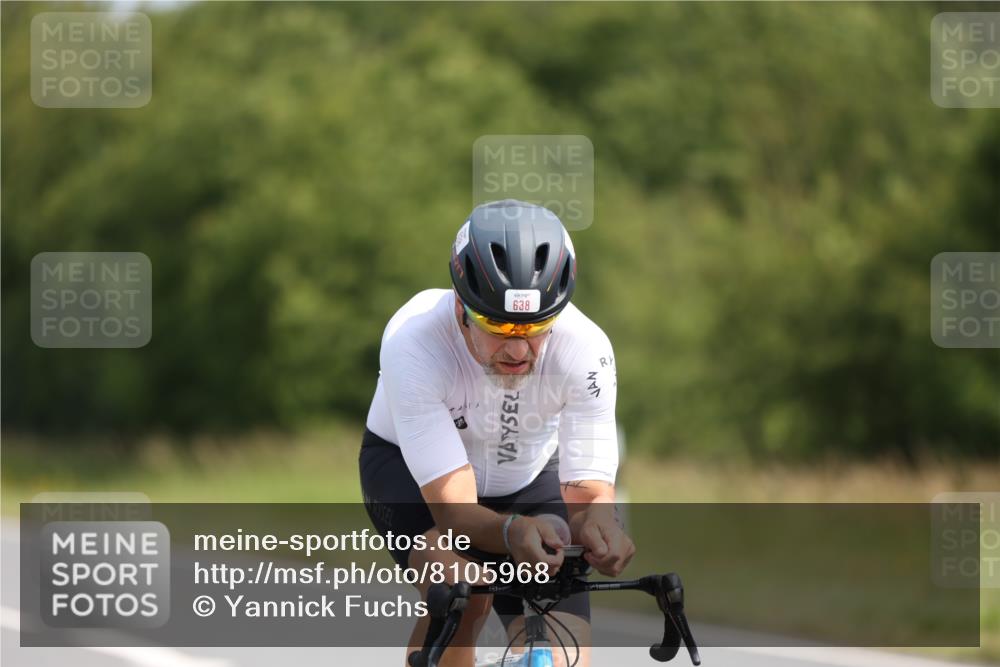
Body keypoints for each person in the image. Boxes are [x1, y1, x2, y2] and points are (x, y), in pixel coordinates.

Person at [360, 199, 634, 667]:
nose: (516, 348)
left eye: (535, 328)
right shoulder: (414, 341)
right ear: (462, 307)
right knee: (464, 594)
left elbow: (589, 494)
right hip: (411, 476)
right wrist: (509, 533)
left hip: (528, 474)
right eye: (498, 325)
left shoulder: (586, 348)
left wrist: (600, 528)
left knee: (567, 651)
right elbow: (456, 511)